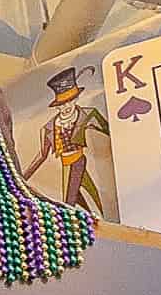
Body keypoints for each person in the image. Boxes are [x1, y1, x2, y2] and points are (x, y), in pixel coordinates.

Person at [21, 68, 108, 214]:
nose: (65, 107)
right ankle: (93, 217)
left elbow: (107, 130)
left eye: (69, 101)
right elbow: (42, 156)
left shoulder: (88, 114)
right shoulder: (49, 128)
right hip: (66, 164)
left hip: (79, 161)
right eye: (61, 104)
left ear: (75, 99)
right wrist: (22, 179)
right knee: (80, 200)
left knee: (71, 203)